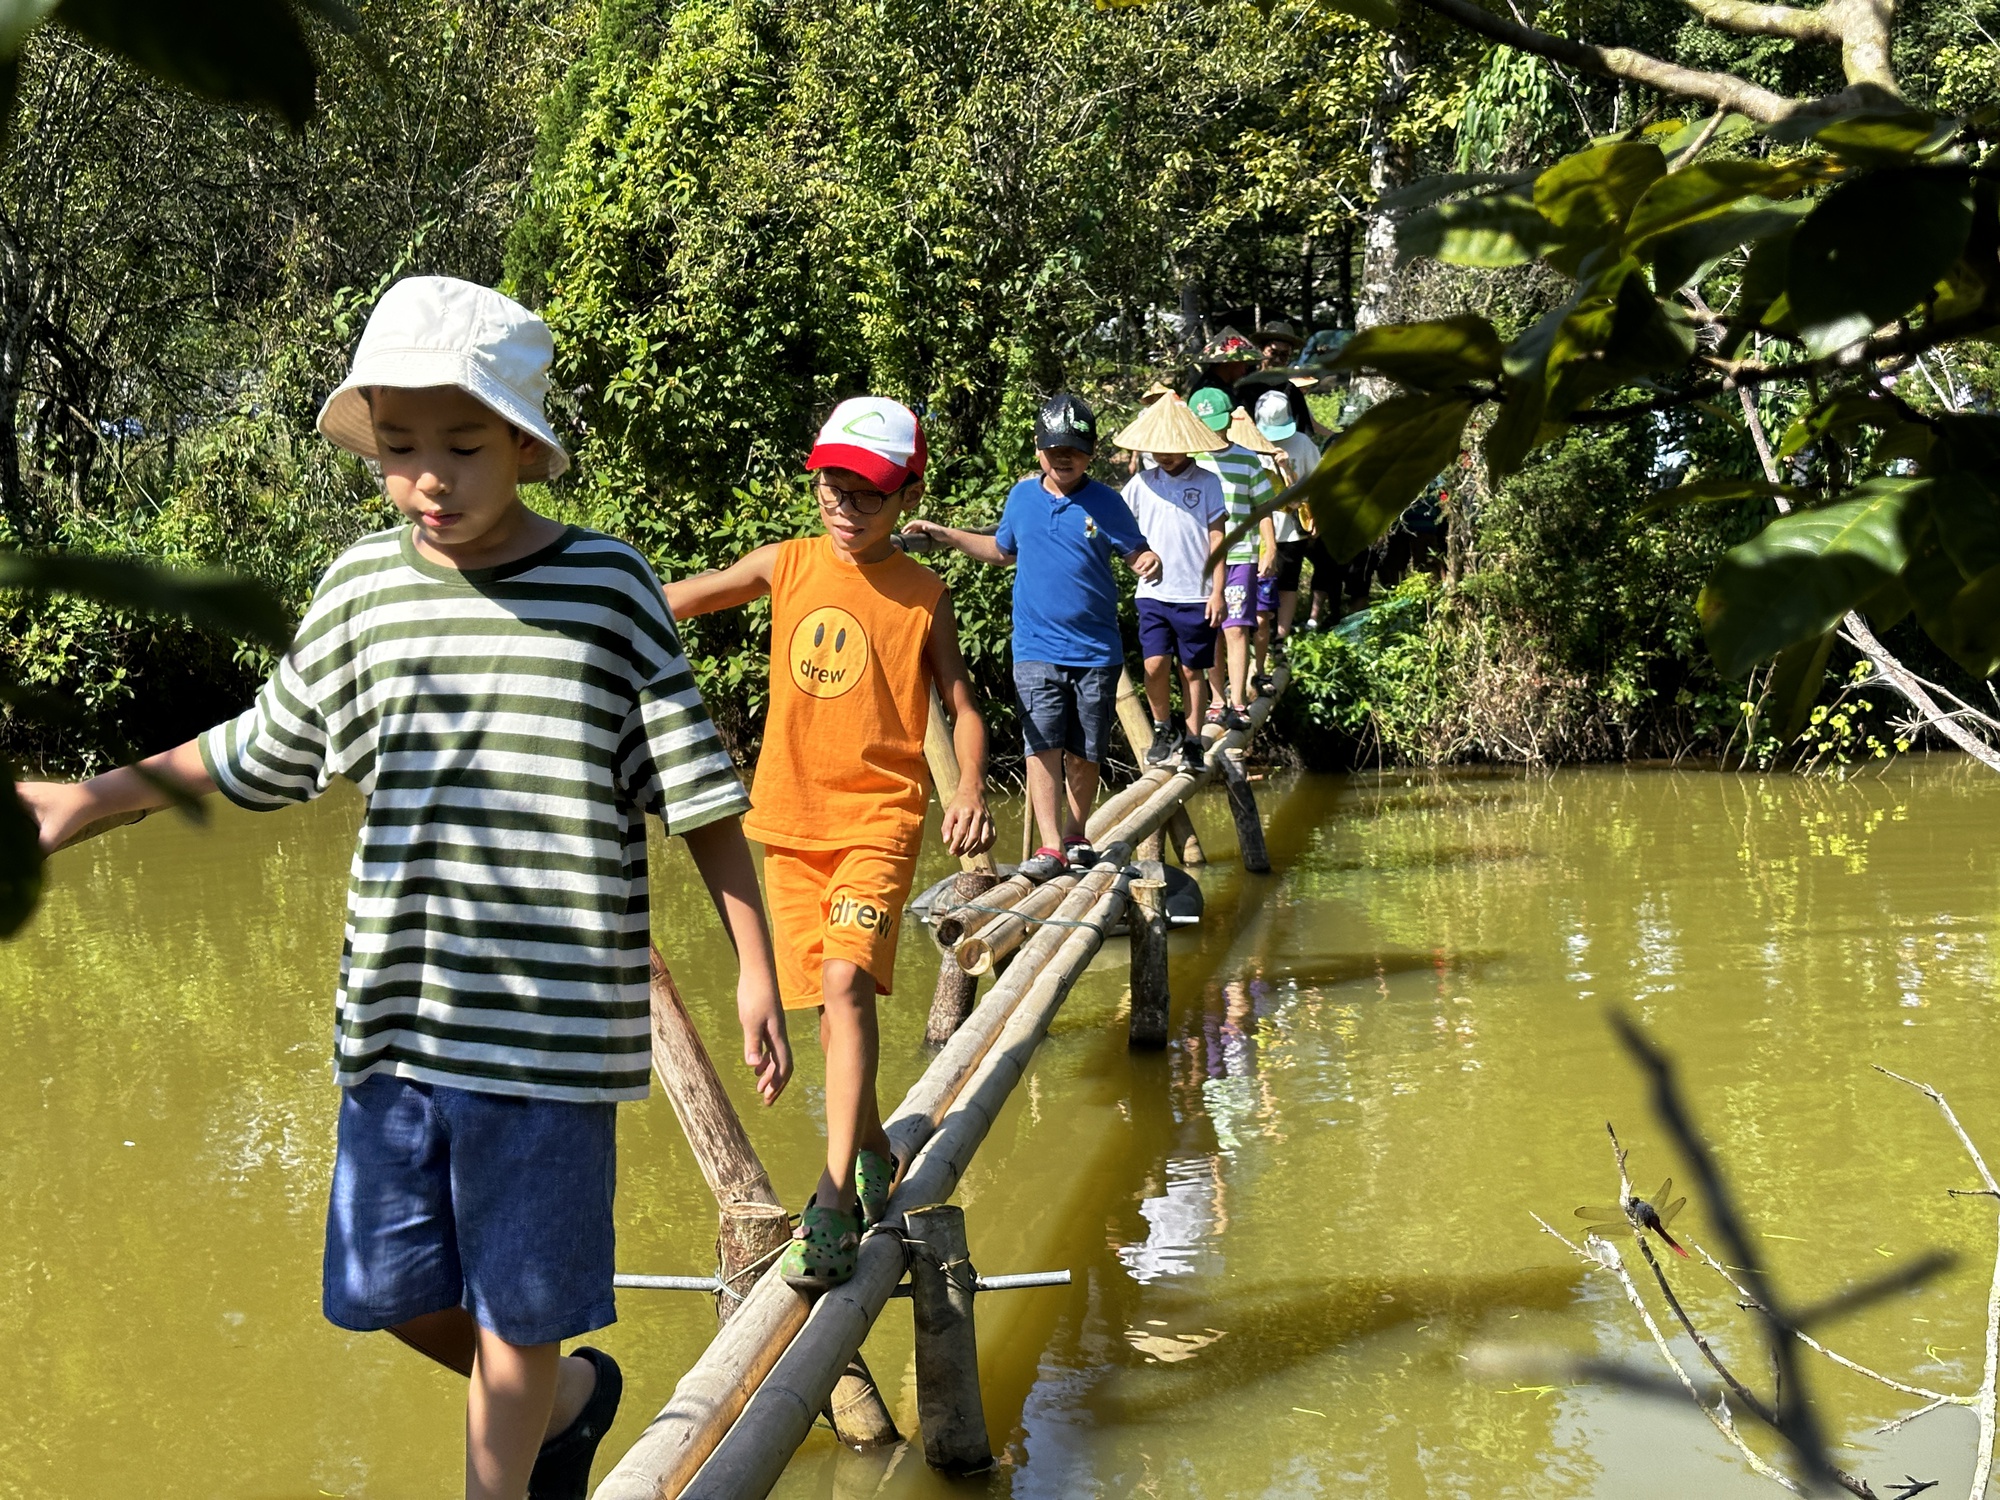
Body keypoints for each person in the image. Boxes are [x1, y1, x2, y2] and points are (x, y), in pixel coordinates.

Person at [17, 276, 793, 1500]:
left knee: (520, 1310)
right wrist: (89, 798)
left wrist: (754, 962)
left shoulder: (608, 589)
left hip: (546, 1038)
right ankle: (578, 1400)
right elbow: (264, 748)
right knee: (383, 1292)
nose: (430, 476)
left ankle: (515, 1455)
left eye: (464, 443)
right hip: (396, 1025)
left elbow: (694, 793)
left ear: (527, 446)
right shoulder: (362, 592)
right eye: (399, 448)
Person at [665, 396, 994, 1290]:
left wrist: (967, 783)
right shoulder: (788, 564)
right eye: (832, 488)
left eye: (868, 495)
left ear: (909, 495)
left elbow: (961, 704)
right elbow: (674, 603)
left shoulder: (925, 595)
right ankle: (877, 1147)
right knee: (831, 1012)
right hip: (788, 823)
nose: (845, 508)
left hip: (881, 819)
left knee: (848, 985)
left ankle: (835, 1198)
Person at [904, 393, 1161, 871]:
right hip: (1036, 647)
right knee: (1041, 745)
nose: (1065, 457)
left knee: (1085, 751)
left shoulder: (1107, 502)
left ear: (1091, 453)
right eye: (1055, 448)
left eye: (1076, 450)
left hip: (1096, 649)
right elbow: (1003, 550)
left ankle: (1076, 834)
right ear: (1039, 449)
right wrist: (947, 534)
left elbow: (1136, 552)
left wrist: (1148, 561)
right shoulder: (1022, 497)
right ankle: (1049, 847)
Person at [1113, 393, 1229, 773]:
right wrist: (1135, 558)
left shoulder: (1208, 482)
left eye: (1173, 447)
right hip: (1153, 593)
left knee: (1193, 670)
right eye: (1159, 447)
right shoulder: (1141, 484)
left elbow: (1217, 538)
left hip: (1195, 594)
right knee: (1154, 664)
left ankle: (1194, 738)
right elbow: (1120, 530)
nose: (1166, 454)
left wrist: (1217, 590)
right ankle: (1164, 728)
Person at [1187, 387, 1277, 730]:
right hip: (1203, 560)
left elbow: (1264, 507)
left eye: (1216, 423)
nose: (1212, 431)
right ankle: (1217, 699)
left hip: (1241, 555)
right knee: (1211, 629)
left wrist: (1270, 547)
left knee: (1237, 628)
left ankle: (1238, 701)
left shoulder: (1246, 458)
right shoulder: (1191, 461)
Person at [1254, 387, 1321, 657]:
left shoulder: (1303, 444)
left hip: (1291, 528)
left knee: (1287, 583)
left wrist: (1287, 469)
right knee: (1258, 582)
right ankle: (1258, 635)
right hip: (1257, 529)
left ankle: (1281, 636)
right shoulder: (1248, 443)